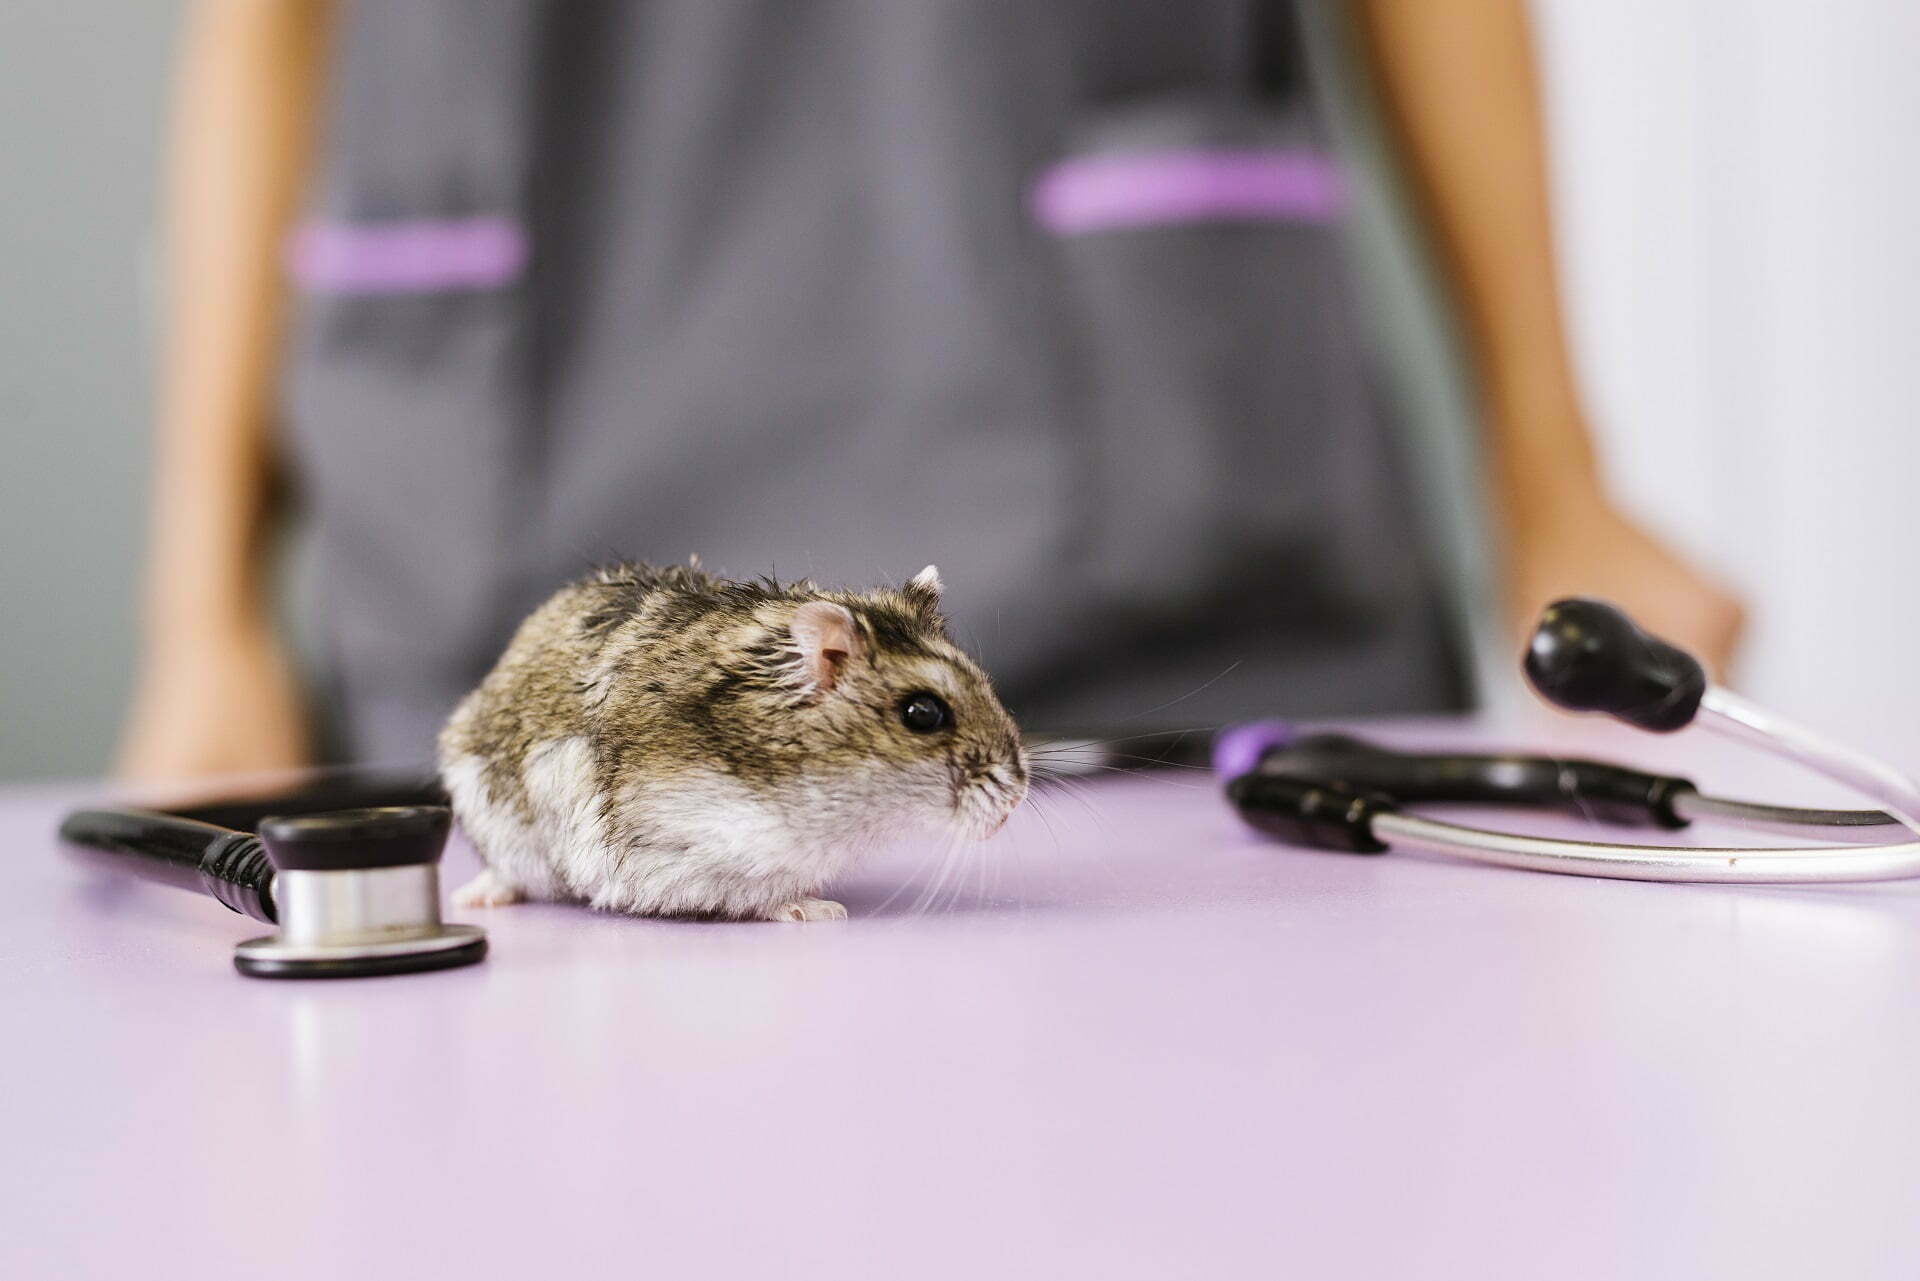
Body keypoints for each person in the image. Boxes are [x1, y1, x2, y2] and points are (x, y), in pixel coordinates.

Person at [116, 0, 1743, 781]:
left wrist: (1553, 481)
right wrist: (203, 621)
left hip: (1177, 583)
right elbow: (261, 24)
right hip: (513, 600)